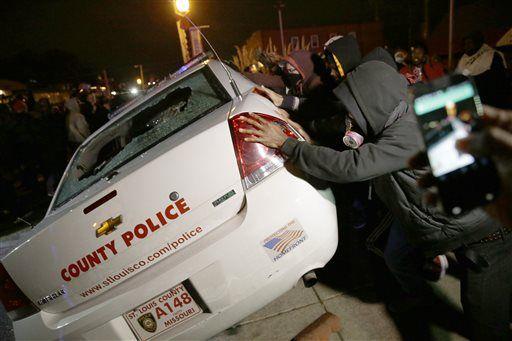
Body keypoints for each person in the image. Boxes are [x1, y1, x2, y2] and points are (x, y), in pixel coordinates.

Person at [241, 60, 509, 340]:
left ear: (372, 101)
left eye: (354, 112)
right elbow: (333, 119)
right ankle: (419, 298)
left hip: (487, 235)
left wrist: (287, 144)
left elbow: (351, 167)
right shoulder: (402, 104)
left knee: (485, 321)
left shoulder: (409, 133)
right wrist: (287, 102)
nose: (349, 120)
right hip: (445, 217)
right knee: (397, 254)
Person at [457, 31, 511, 108]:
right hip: (477, 100)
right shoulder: (463, 60)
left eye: (469, 43)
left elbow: (498, 79)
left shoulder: (491, 55)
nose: (466, 46)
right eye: (464, 44)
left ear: (477, 43)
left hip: (494, 97)